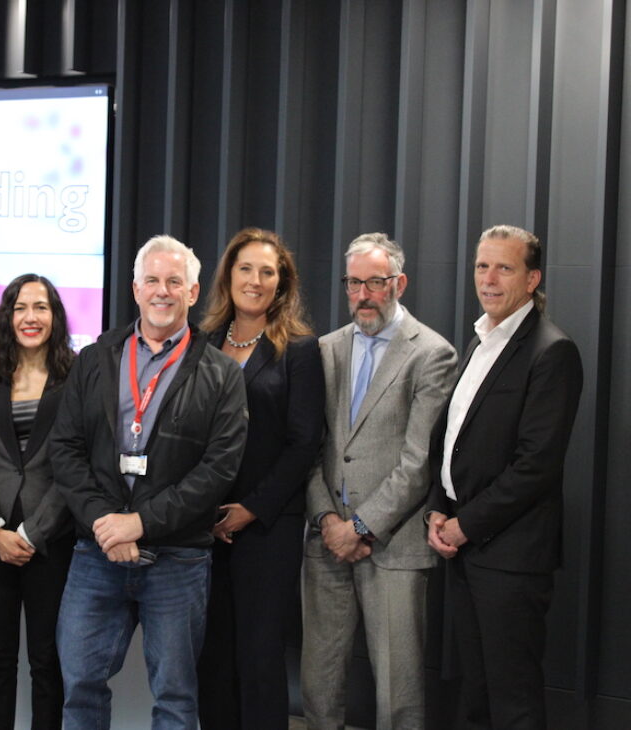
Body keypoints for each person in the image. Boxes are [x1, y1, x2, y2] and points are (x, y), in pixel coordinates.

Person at [50, 234, 249, 729]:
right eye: (152, 281)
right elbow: (65, 449)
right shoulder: (95, 359)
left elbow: (218, 470)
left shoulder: (222, 374)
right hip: (96, 555)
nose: (163, 291)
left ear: (193, 292)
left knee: (176, 698)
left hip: (178, 557)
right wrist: (103, 521)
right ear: (135, 289)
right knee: (79, 687)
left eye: (174, 282)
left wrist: (138, 523)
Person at [426, 225, 582, 730]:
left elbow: (535, 464)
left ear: (533, 278)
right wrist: (437, 507)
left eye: (504, 268)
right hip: (466, 548)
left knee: (512, 700)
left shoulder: (551, 351)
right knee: (476, 692)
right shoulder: (479, 341)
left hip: (510, 557)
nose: (488, 279)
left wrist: (463, 524)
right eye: (481, 266)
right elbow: (453, 438)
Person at [303, 232, 458, 730]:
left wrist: (361, 527)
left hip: (393, 545)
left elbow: (417, 463)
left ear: (399, 283)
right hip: (325, 542)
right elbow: (309, 448)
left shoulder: (431, 354)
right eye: (354, 283)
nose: (363, 294)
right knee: (319, 682)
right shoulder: (325, 350)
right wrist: (328, 519)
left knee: (399, 689)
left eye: (375, 282)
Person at [195, 228, 324, 728]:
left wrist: (250, 510)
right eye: (245, 268)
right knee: (212, 656)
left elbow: (303, 444)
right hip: (202, 527)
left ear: (282, 282)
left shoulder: (299, 350)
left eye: (267, 271)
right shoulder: (201, 344)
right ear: (228, 276)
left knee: (259, 656)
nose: (255, 280)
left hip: (267, 528)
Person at [0, 273, 76, 729]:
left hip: (53, 539)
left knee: (48, 663)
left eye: (41, 307)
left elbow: (75, 463)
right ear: (8, 316)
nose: (31, 317)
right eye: (21, 307)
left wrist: (32, 531)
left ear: (55, 316)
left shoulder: (77, 376)